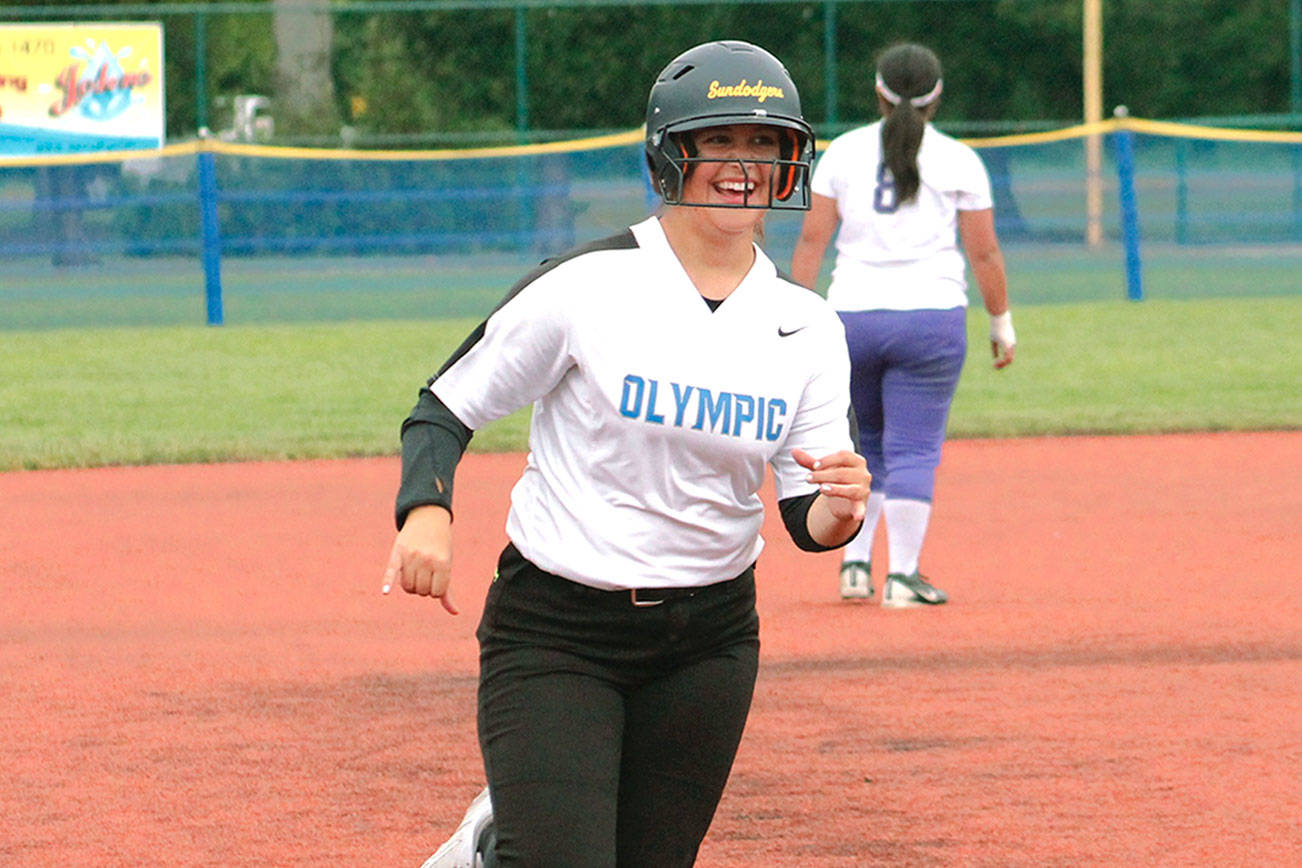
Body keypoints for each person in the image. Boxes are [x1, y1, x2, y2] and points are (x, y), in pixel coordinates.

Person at [382, 40, 870, 868]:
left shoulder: (806, 325)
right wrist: (425, 511)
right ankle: (498, 847)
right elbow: (446, 405)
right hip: (559, 628)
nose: (743, 165)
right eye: (718, 140)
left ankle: (503, 843)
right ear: (671, 154)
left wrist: (839, 509)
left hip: (709, 640)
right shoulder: (589, 284)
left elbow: (804, 518)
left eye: (765, 144)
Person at [790, 42, 1015, 608]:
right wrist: (1001, 322)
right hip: (930, 319)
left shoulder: (841, 152)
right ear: (937, 98)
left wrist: (793, 320)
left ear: (879, 92)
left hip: (852, 318)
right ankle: (904, 576)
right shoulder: (960, 159)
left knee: (864, 448)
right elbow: (985, 255)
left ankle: (855, 565)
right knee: (914, 449)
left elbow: (813, 241)